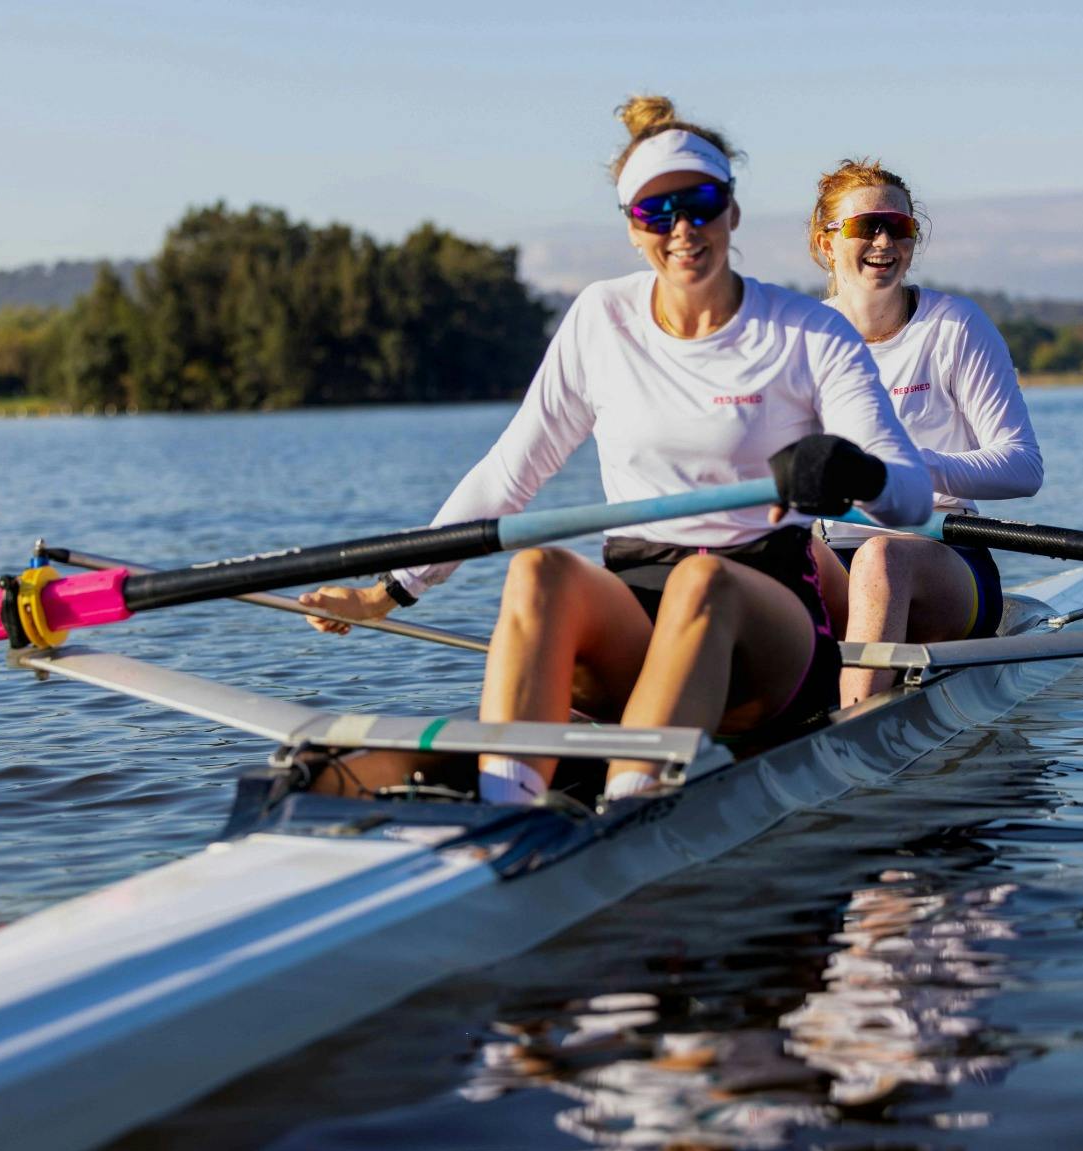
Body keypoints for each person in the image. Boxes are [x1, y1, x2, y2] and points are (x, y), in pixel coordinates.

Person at [300, 99, 931, 806]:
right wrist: (388, 591)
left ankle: (632, 808)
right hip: (635, 600)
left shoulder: (807, 332)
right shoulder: (602, 318)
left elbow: (908, 492)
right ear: (633, 229)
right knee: (538, 569)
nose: (683, 230)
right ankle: (509, 813)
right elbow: (510, 473)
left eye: (700, 204)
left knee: (703, 580)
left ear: (733, 212)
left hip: (768, 623)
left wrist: (856, 471)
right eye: (657, 213)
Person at [809, 159, 1043, 707]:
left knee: (881, 559)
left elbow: (1024, 466)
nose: (885, 240)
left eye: (900, 226)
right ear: (827, 243)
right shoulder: (799, 337)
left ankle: (853, 733)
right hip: (833, 557)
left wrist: (910, 468)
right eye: (866, 226)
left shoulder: (954, 326)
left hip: (944, 558)